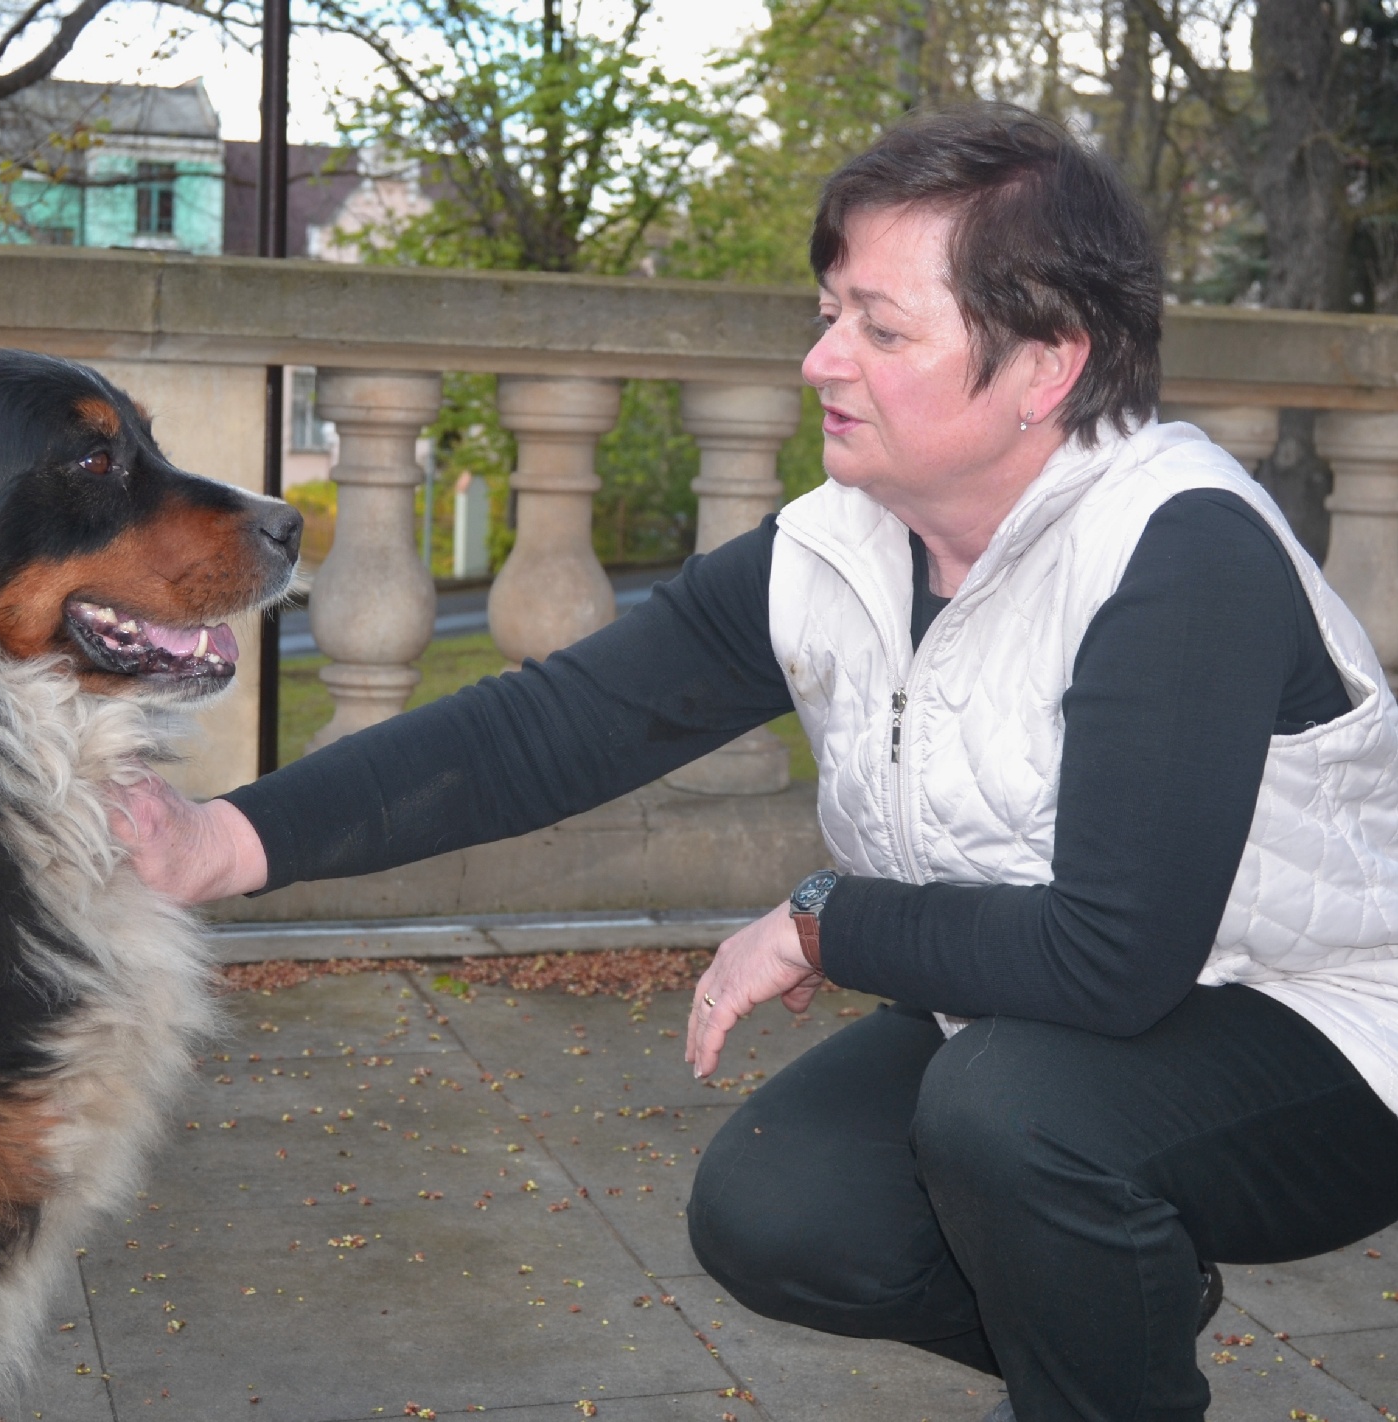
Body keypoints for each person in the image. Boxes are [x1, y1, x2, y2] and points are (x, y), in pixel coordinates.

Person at [110, 103, 1398, 1422]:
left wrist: (822, 920)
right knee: (778, 1208)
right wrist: (221, 840)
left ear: (1045, 365)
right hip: (1044, 1029)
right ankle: (1114, 1302)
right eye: (829, 312)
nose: (819, 360)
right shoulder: (843, 548)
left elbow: (1110, 959)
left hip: (1329, 1037)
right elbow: (544, 727)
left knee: (1014, 1115)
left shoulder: (1176, 552)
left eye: (881, 329)